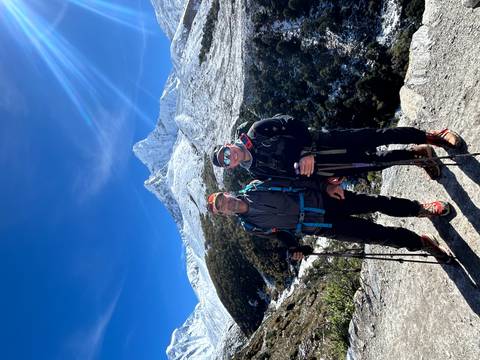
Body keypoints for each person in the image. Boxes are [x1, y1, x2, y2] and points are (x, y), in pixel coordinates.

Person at [206, 178, 453, 262]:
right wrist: (294, 248)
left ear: (227, 193)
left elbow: (295, 182)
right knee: (375, 235)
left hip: (325, 200)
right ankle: (420, 243)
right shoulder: (250, 226)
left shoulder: (257, 187)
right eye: (222, 208)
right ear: (225, 214)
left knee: (377, 202)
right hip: (322, 226)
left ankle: (422, 209)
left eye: (223, 199)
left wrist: (324, 185)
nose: (226, 204)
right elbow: (280, 233)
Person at [211, 114, 464, 180]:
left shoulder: (257, 130)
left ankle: (434, 137)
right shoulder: (256, 171)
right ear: (231, 167)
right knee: (375, 162)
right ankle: (417, 155)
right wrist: (324, 181)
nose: (229, 156)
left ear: (228, 145)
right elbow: (291, 179)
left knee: (377, 137)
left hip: (324, 142)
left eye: (225, 152)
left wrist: (306, 150)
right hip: (324, 168)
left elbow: (292, 123)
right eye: (226, 161)